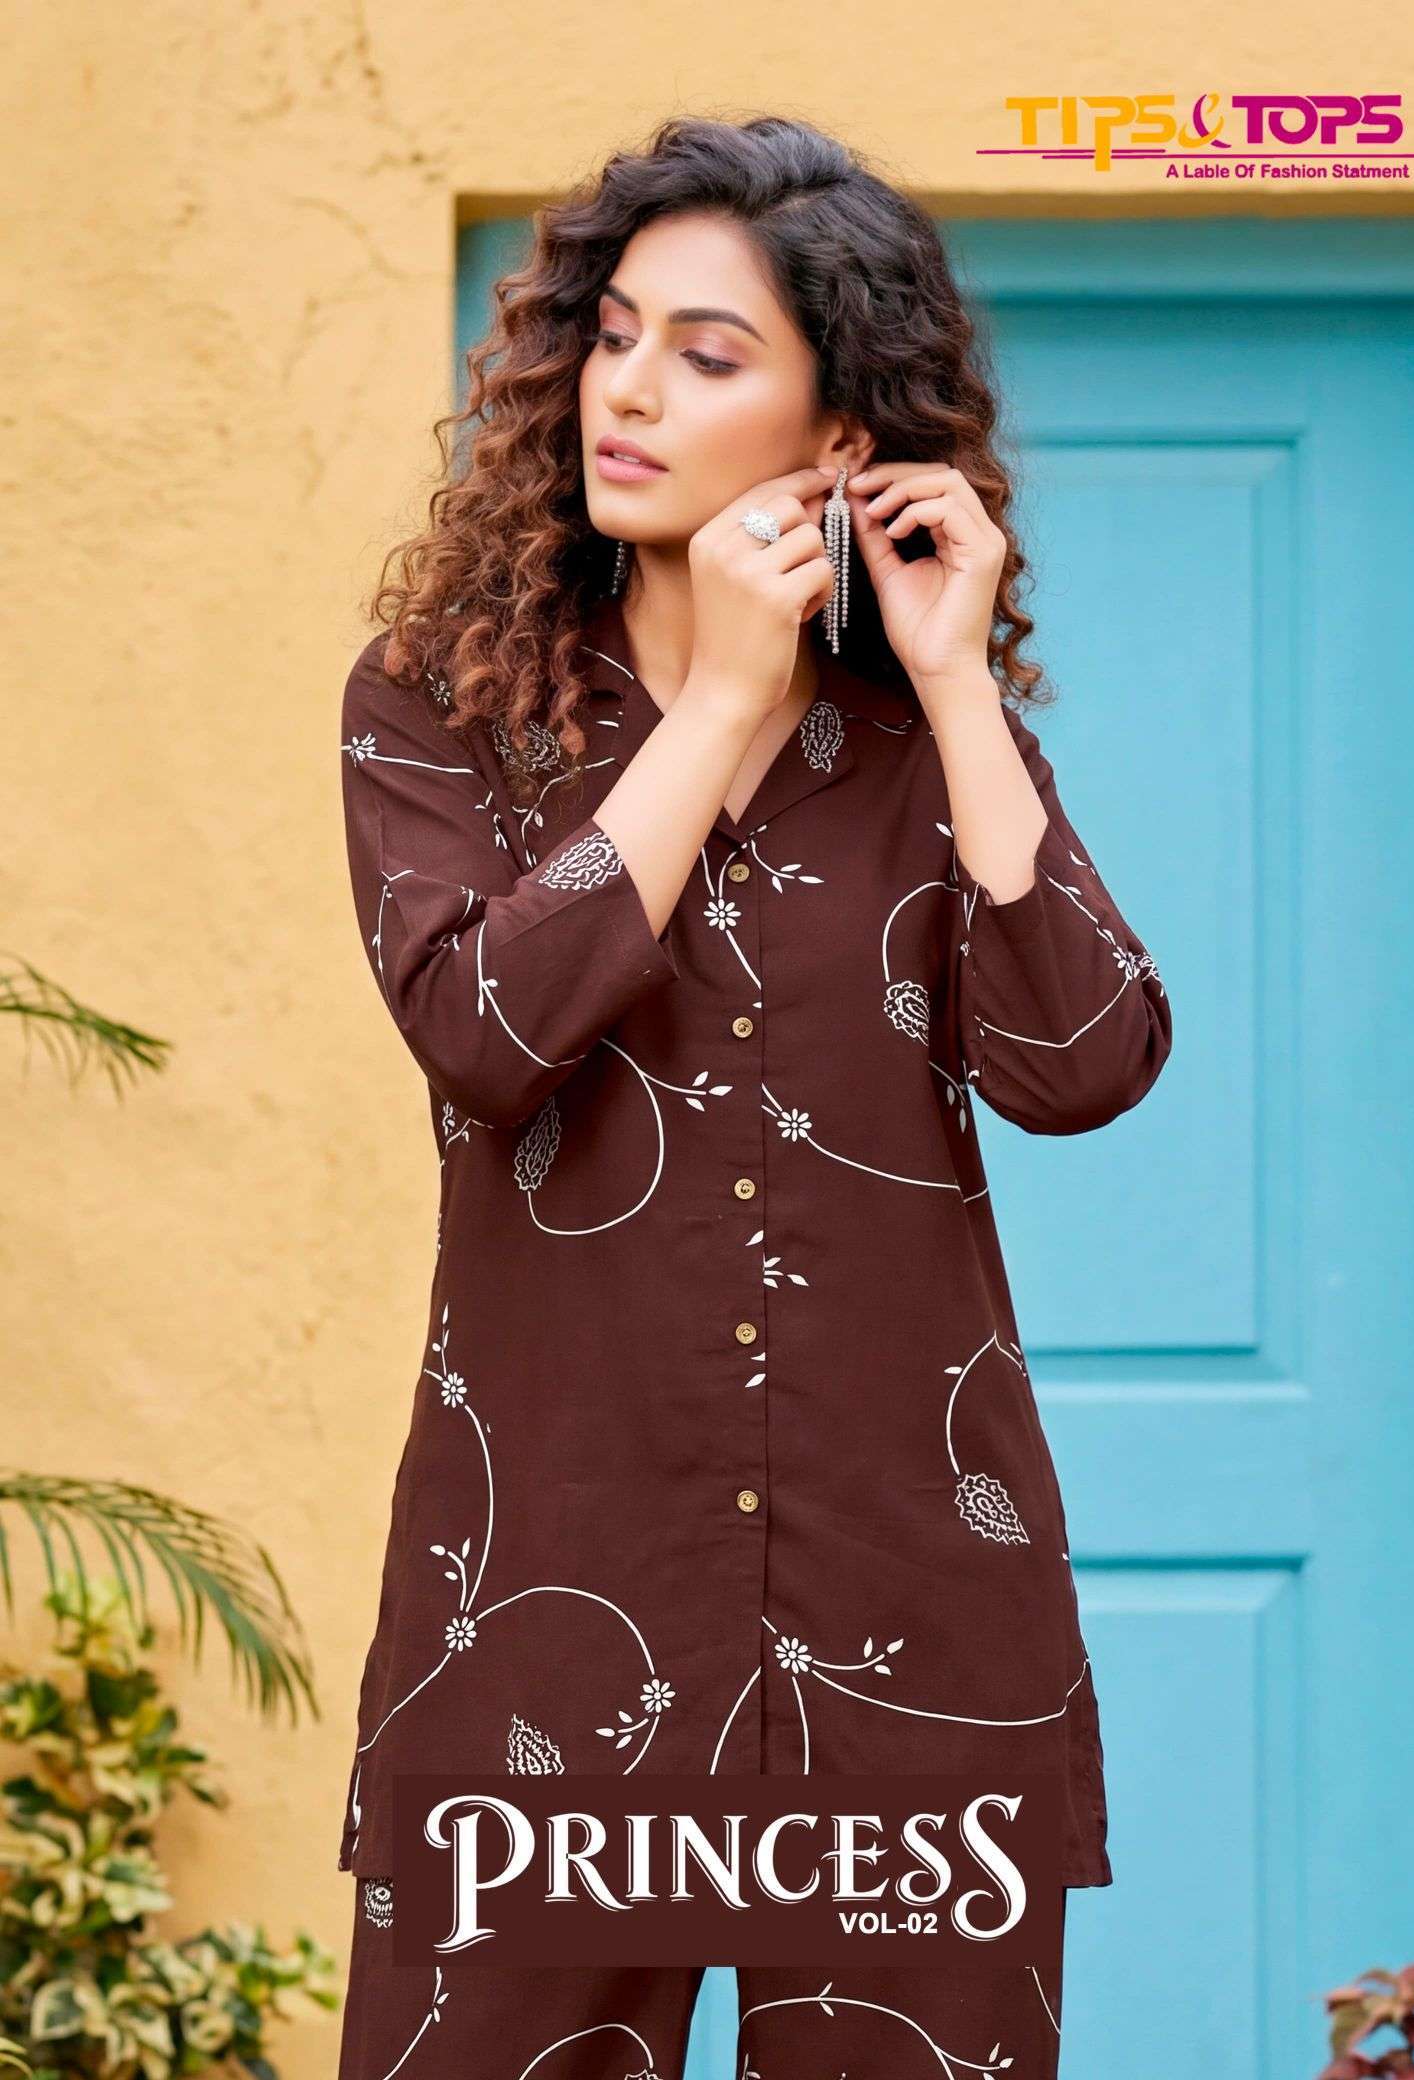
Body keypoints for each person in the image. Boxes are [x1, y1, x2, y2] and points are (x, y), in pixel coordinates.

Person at [333, 112, 1172, 2080]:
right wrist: (715, 701)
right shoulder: (440, 707)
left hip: (914, 1648)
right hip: (546, 1623)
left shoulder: (921, 750)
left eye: (707, 355)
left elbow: (1084, 1062)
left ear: (838, 434)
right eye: (616, 334)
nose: (626, 390)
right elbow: (484, 1029)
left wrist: (955, 685)